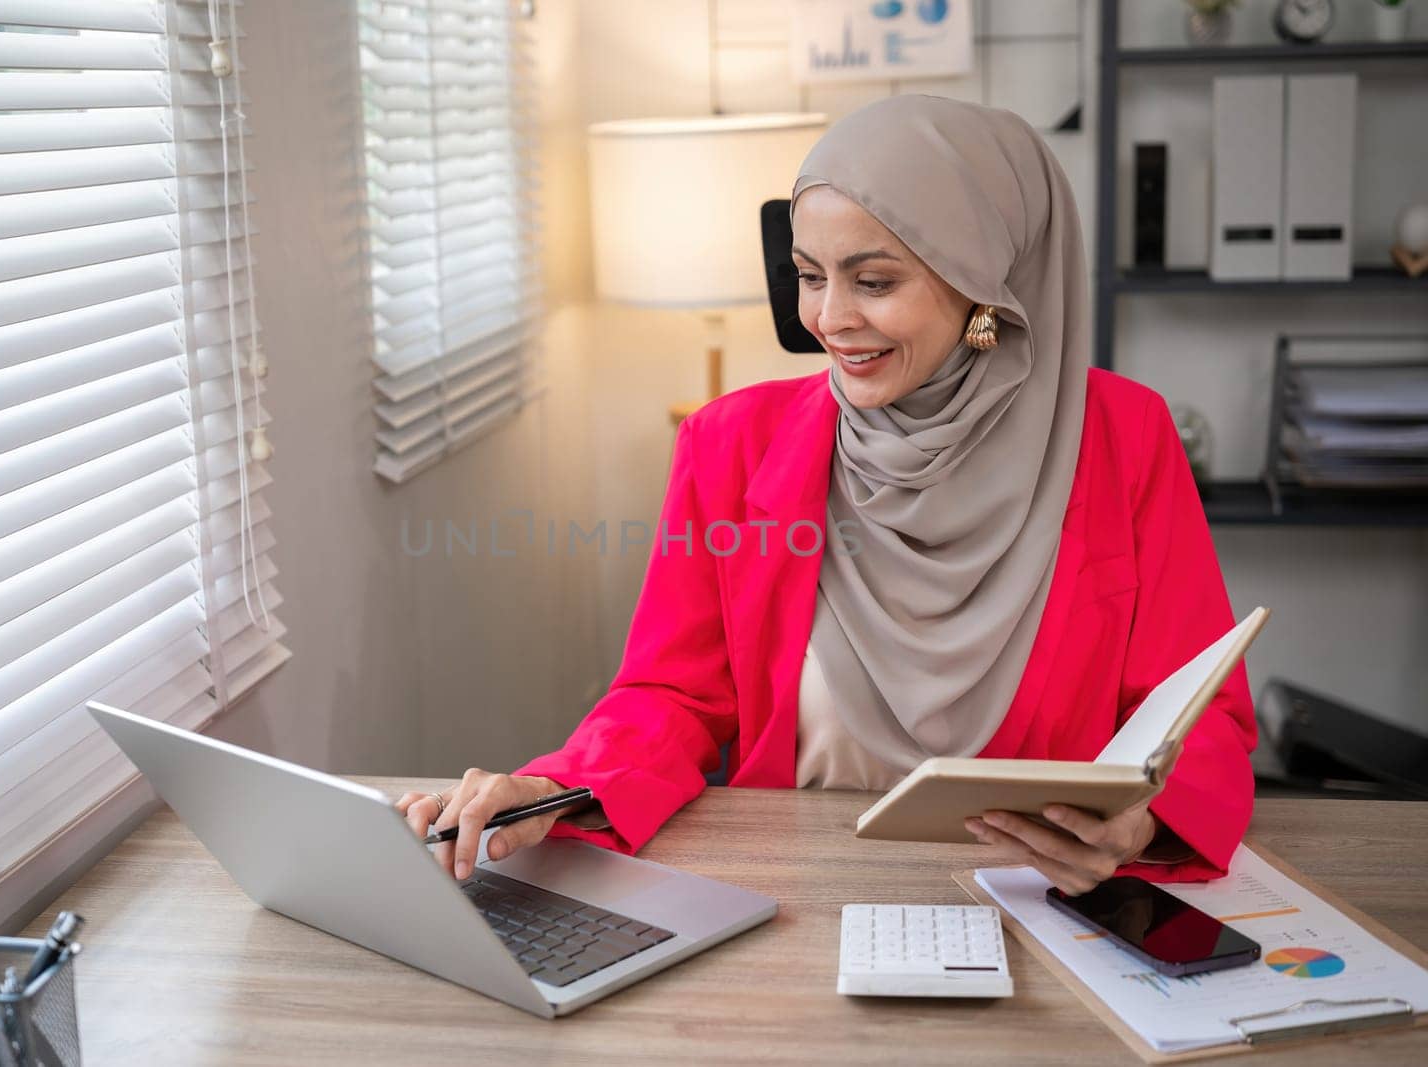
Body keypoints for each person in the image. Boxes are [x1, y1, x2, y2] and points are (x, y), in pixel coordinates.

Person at [396, 95, 1255, 896]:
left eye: (873, 281)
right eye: (810, 275)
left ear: (986, 283)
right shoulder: (729, 446)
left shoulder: (1124, 436)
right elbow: (673, 696)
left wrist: (1142, 825)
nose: (828, 318)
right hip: (800, 896)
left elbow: (1199, 710)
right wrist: (562, 782)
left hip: (1046, 903)